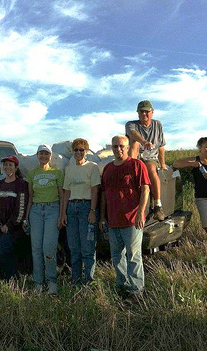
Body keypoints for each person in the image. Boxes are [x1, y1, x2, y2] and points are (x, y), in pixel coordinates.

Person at [99, 135, 150, 297]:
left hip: (132, 220)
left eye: (121, 146)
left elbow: (145, 190)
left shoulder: (136, 165)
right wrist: (102, 216)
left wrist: (141, 212)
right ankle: (122, 285)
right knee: (116, 256)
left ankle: (137, 290)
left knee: (133, 256)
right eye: (115, 146)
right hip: (113, 221)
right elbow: (104, 195)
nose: (118, 149)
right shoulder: (108, 168)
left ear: (127, 147)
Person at [172, 137, 207, 245]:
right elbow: (175, 164)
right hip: (202, 197)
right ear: (200, 148)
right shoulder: (195, 160)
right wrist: (192, 164)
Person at [60, 138, 100, 285]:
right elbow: (66, 192)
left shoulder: (92, 167)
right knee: (74, 247)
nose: (78, 152)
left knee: (88, 247)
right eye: (76, 150)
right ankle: (75, 279)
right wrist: (63, 213)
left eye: (81, 150)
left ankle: (89, 280)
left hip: (86, 207)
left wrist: (92, 211)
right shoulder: (69, 169)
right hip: (71, 208)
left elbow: (95, 190)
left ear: (86, 151)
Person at [26, 144, 64, 294]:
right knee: (36, 248)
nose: (43, 156)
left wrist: (61, 215)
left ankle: (51, 280)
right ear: (37, 156)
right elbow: (30, 197)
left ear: (50, 156)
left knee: (49, 246)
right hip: (35, 210)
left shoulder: (57, 172)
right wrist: (27, 217)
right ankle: (38, 282)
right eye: (41, 154)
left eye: (46, 154)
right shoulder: (32, 174)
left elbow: (61, 196)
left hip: (52, 209)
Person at [125, 100, 166, 221]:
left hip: (150, 158)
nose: (144, 114)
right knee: (134, 142)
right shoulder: (131, 124)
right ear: (137, 113)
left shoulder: (157, 125)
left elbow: (161, 146)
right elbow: (131, 133)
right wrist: (144, 142)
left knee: (151, 168)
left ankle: (157, 205)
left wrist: (163, 164)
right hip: (135, 157)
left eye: (147, 112)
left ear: (152, 113)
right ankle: (130, 170)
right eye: (141, 112)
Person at [0, 155, 29, 279]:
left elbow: (21, 207)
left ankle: (13, 282)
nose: (7, 167)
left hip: (13, 229)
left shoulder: (21, 184)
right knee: (0, 255)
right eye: (5, 164)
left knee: (10, 256)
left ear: (16, 168)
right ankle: (3, 283)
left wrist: (9, 225)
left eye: (10, 165)